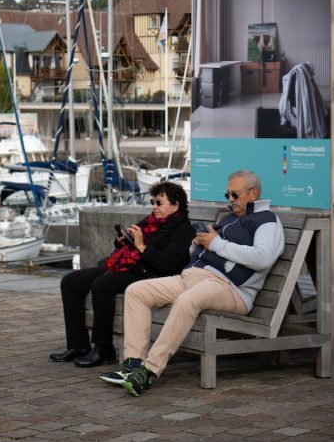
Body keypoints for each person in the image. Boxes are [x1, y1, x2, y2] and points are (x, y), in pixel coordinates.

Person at [100, 169, 284, 395]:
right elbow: (203, 249)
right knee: (137, 291)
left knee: (187, 301)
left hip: (230, 288)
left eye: (234, 196)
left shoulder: (266, 221)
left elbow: (262, 258)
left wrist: (216, 244)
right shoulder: (230, 219)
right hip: (193, 276)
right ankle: (133, 363)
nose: (230, 201)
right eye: (227, 195)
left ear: (253, 194)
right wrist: (198, 243)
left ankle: (149, 370)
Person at [49, 180, 195, 369]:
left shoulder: (184, 231)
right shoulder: (152, 221)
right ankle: (78, 345)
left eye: (159, 203)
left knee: (103, 284)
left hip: (151, 275)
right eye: (153, 202)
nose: (155, 207)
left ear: (175, 205)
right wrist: (123, 240)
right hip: (130, 265)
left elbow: (169, 265)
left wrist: (142, 246)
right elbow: (133, 245)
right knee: (71, 281)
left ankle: (104, 348)